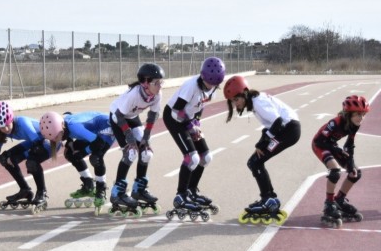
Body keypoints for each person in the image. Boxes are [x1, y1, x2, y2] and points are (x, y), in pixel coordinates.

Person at [223, 75, 300, 224]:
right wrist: (262, 142)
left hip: (289, 129)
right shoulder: (254, 102)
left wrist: (262, 143)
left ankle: (268, 199)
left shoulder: (258, 102)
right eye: (232, 101)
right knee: (254, 162)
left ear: (244, 94)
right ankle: (269, 198)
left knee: (255, 162)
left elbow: (277, 122)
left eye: (236, 100)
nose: (235, 104)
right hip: (285, 129)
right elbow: (270, 126)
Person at [163, 57, 225, 217]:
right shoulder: (191, 86)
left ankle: (191, 190)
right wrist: (191, 126)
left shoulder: (213, 87)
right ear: (202, 76)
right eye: (208, 83)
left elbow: (199, 107)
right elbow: (176, 111)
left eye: (214, 84)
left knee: (206, 157)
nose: (210, 86)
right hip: (174, 118)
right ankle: (180, 196)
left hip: (189, 119)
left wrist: (196, 124)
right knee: (192, 158)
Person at [108, 63, 164, 213]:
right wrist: (130, 139)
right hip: (118, 118)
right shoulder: (134, 94)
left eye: (161, 82)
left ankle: (139, 189)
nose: (159, 85)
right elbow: (119, 116)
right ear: (145, 82)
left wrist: (146, 138)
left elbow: (153, 116)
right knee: (131, 153)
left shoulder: (157, 95)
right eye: (156, 82)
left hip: (132, 117)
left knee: (146, 153)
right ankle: (117, 193)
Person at [312, 95, 370, 227]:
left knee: (355, 173)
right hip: (319, 145)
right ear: (348, 114)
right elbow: (319, 141)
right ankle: (329, 203)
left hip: (331, 145)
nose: (361, 118)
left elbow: (349, 145)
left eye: (363, 115)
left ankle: (339, 200)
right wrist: (337, 149)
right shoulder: (336, 122)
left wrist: (350, 164)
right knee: (335, 171)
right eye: (357, 115)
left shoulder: (355, 125)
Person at [0, 101, 51, 210]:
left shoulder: (23, 123)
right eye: (2, 127)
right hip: (33, 142)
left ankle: (42, 192)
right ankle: (25, 190)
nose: (6, 129)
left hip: (48, 142)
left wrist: (17, 157)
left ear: (11, 119)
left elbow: (38, 145)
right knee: (4, 158)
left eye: (7, 125)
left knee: (31, 162)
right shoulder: (1, 130)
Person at [49, 111, 115, 210]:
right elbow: (69, 116)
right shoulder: (62, 124)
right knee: (69, 153)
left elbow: (99, 143)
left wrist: (83, 152)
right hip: (92, 133)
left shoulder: (74, 127)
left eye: (56, 137)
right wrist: (70, 141)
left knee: (95, 158)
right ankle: (88, 185)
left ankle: (101, 189)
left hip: (105, 128)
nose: (55, 140)